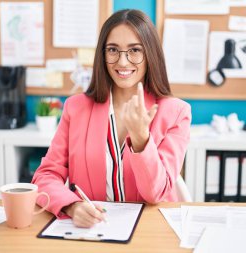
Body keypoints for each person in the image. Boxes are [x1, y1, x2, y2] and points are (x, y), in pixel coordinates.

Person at [32, 9, 191, 228]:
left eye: (135, 50)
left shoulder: (176, 112)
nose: (123, 62)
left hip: (151, 232)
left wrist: (141, 139)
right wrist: (72, 206)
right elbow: (45, 176)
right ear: (103, 55)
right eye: (113, 50)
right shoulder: (76, 108)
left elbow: (156, 193)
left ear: (150, 54)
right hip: (92, 231)